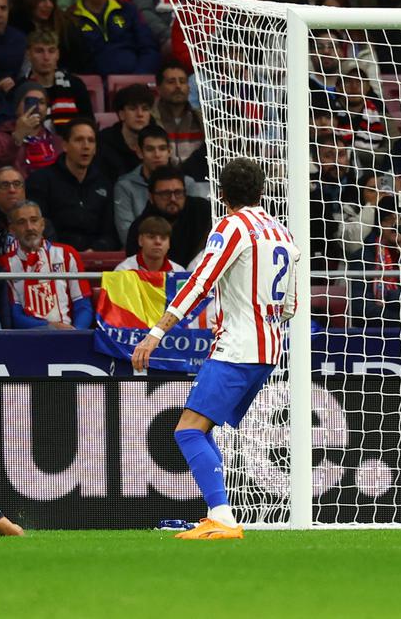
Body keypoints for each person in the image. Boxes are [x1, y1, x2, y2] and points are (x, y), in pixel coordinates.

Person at [132, 157, 299, 539]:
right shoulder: (283, 234)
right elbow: (290, 306)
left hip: (237, 347)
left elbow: (201, 281)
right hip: (268, 349)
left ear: (221, 195)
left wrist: (157, 332)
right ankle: (216, 512)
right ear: (262, 191)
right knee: (201, 429)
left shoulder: (231, 226)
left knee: (187, 431)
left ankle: (222, 516)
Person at [25, 118, 119, 252]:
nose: (86, 146)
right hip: (55, 257)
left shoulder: (104, 183)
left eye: (91, 141)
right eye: (79, 140)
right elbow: (39, 226)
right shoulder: (41, 180)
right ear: (65, 145)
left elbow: (110, 233)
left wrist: (96, 249)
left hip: (95, 258)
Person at [0, 200, 91, 330]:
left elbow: (82, 305)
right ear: (12, 230)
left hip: (68, 335)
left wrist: (76, 333)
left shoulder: (67, 254)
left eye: (34, 220)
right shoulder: (5, 264)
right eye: (21, 222)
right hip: (27, 339)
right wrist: (49, 327)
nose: (29, 228)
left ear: (42, 224)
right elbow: (15, 315)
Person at [71, 0, 159, 78]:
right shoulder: (72, 16)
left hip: (134, 82)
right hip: (93, 85)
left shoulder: (128, 10)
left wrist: (138, 76)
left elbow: (149, 48)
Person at [125, 165, 211, 266]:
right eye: (165, 194)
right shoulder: (141, 227)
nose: (173, 199)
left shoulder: (202, 210)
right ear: (151, 197)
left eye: (178, 192)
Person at [0, 80, 62, 179]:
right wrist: (17, 139)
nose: (36, 107)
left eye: (41, 102)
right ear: (16, 106)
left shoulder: (57, 141)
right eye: (30, 101)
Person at [116, 215, 185, 272]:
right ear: (140, 240)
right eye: (151, 237)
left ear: (169, 244)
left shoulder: (179, 272)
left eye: (163, 238)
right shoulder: (123, 270)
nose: (158, 242)